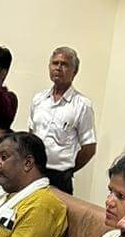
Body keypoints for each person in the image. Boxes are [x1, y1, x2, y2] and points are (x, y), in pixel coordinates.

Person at [28, 46, 95, 193]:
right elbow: (31, 134)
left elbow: (89, 148)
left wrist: (68, 170)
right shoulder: (38, 99)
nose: (58, 68)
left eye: (64, 64)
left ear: (74, 71)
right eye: (55, 63)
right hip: (33, 172)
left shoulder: (82, 105)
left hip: (60, 178)